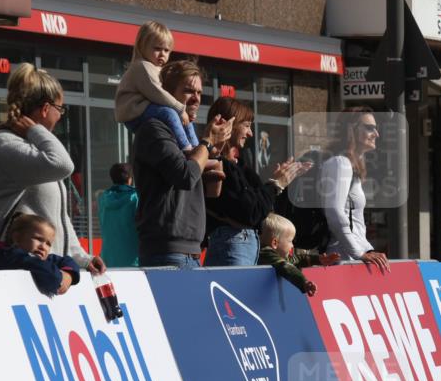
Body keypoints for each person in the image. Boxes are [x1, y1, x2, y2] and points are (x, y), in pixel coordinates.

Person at [0, 63, 105, 275]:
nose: (61, 117)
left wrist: (82, 259)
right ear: (46, 109)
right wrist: (35, 129)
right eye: (60, 109)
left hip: (47, 269)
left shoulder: (32, 151)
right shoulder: (6, 148)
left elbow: (57, 217)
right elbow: (64, 164)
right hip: (26, 273)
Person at [132, 59, 232, 269]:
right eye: (188, 91)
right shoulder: (154, 128)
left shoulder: (189, 135)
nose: (196, 98)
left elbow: (212, 192)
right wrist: (207, 143)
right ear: (167, 93)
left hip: (192, 252)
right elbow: (185, 176)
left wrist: (217, 151)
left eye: (199, 93)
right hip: (166, 253)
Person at [204, 97, 311, 267]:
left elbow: (263, 211)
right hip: (232, 247)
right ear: (226, 124)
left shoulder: (241, 166)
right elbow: (251, 212)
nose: (250, 133)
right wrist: (276, 185)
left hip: (244, 247)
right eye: (246, 125)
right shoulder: (216, 164)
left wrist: (275, 184)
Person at [319, 106, 390, 273]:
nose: (376, 134)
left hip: (349, 256)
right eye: (369, 128)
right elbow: (334, 212)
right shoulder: (341, 163)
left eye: (376, 128)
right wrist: (359, 252)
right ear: (351, 129)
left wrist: (366, 249)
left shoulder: (349, 164)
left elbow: (355, 223)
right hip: (341, 258)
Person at [0, 213, 80, 296]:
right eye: (39, 239)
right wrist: (61, 277)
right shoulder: (12, 257)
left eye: (48, 244)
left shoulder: (37, 258)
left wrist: (69, 275)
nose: (43, 246)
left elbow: (66, 261)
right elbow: (52, 277)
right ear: (17, 238)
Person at [258, 213, 339, 296]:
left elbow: (295, 260)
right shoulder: (266, 252)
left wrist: (317, 260)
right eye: (290, 241)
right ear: (274, 243)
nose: (292, 245)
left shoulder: (274, 255)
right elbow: (286, 266)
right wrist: (303, 282)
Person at [98, 163, 139, 267]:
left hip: (107, 259)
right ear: (130, 179)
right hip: (132, 259)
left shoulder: (103, 198)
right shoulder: (135, 197)